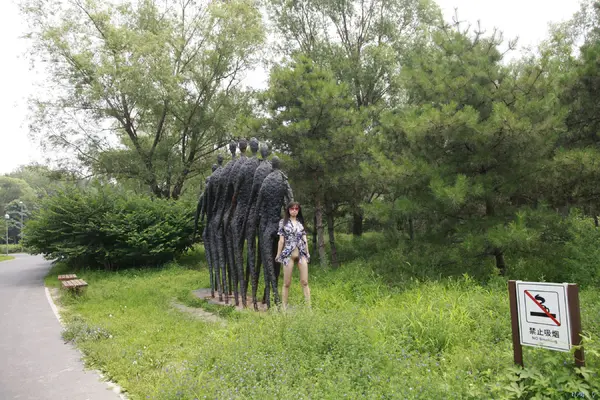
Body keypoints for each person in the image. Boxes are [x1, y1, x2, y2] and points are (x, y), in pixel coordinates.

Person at [275, 201, 311, 309]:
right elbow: (281, 240)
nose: (294, 211)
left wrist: (307, 253)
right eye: (292, 209)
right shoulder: (283, 222)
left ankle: (309, 308)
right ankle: (284, 307)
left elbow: (305, 239)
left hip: (301, 253)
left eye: (296, 209)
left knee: (305, 282)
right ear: (288, 210)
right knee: (287, 283)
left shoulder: (300, 223)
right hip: (288, 254)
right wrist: (278, 254)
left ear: (298, 210)